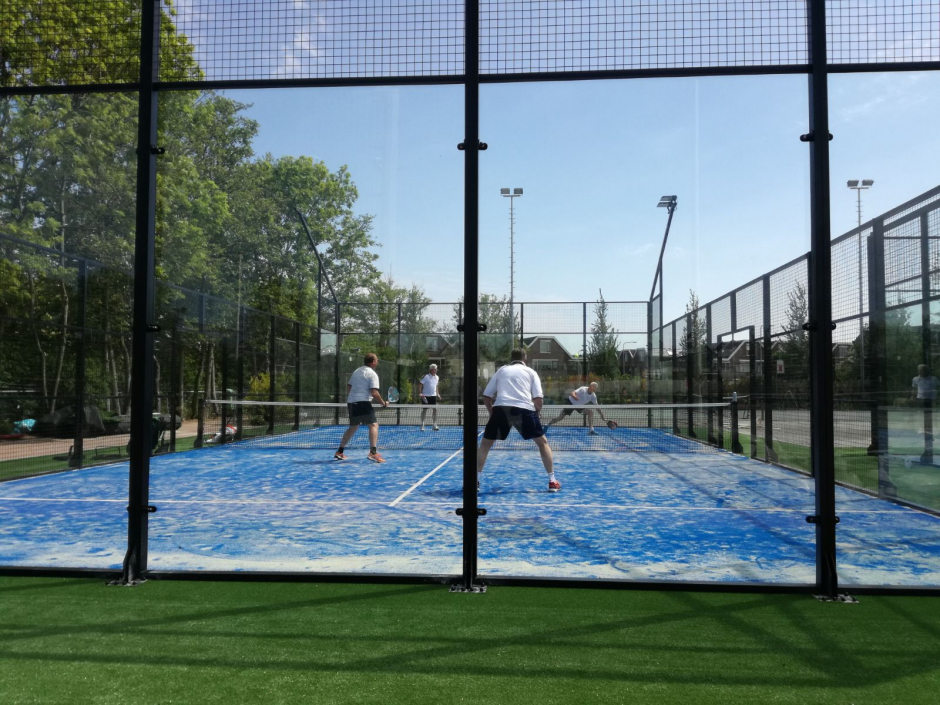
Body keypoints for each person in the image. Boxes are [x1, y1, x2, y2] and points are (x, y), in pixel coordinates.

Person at [477, 348, 560, 492]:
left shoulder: (501, 370)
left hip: (501, 409)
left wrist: (492, 413)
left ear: (511, 358)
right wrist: (536, 414)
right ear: (525, 359)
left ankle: (474, 481)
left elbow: (487, 396)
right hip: (524, 410)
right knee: (543, 443)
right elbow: (538, 400)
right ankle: (552, 482)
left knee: (485, 445)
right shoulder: (531, 372)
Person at [335, 353, 388, 463]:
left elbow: (349, 386)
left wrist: (354, 396)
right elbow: (374, 392)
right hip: (363, 402)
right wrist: (383, 403)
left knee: (353, 427)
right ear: (373, 362)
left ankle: (340, 451)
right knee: (373, 425)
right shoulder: (372, 374)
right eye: (377, 360)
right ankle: (373, 453)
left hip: (351, 402)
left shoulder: (356, 371)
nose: (377, 362)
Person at [544, 381, 611, 435]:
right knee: (560, 418)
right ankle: (547, 425)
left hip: (579, 406)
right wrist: (575, 397)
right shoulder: (583, 389)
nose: (594, 388)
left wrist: (602, 415)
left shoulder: (593, 396)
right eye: (593, 387)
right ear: (590, 386)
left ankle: (591, 430)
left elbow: (597, 406)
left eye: (595, 388)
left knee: (590, 412)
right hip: (570, 403)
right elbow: (572, 393)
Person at [911, 364, 939, 464]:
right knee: (921, 417)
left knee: (931, 417)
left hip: (931, 400)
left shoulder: (934, 379)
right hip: (921, 399)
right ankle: (924, 432)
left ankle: (930, 433)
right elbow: (914, 390)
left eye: (924, 370)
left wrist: (937, 399)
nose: (922, 372)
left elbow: (938, 388)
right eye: (920, 370)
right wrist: (913, 398)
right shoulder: (915, 379)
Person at [419, 363, 441, 431]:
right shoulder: (426, 376)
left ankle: (434, 425)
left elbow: (436, 386)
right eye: (433, 369)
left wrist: (438, 394)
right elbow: (420, 384)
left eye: (435, 369)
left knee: (435, 409)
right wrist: (420, 393)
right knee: (424, 410)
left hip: (433, 396)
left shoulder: (437, 377)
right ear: (430, 370)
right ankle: (422, 424)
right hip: (425, 396)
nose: (435, 370)